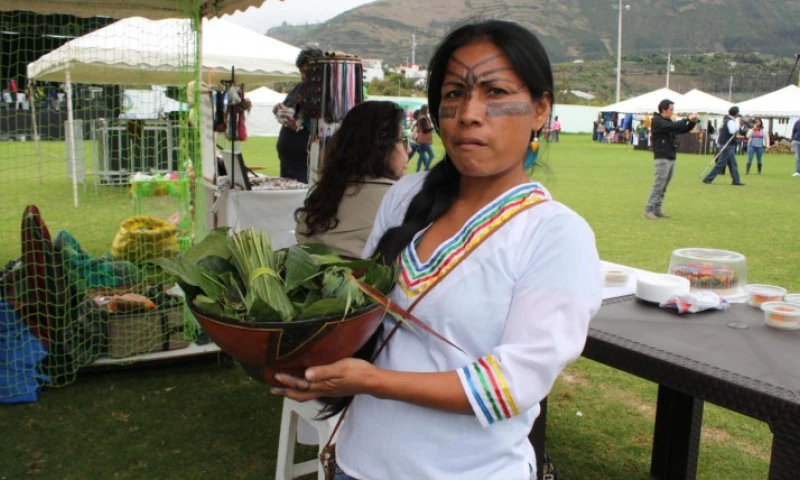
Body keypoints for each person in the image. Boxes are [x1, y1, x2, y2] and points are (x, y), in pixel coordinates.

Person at [272, 20, 603, 480]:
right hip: (356, 463)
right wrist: (310, 362)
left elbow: (511, 385)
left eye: (495, 92)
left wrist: (374, 383)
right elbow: (360, 316)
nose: (469, 113)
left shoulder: (554, 234)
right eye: (453, 94)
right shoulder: (405, 196)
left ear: (541, 108)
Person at [294, 101, 410, 258]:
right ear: (381, 146)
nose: (408, 149)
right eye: (402, 140)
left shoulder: (324, 193)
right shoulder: (399, 200)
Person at [274, 47, 322, 183]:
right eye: (301, 72)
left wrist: (299, 125)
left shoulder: (325, 92)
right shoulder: (299, 87)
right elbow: (289, 109)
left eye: (306, 72)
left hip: (306, 167)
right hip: (287, 163)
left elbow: (323, 125)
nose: (302, 76)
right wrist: (279, 110)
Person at [644, 99, 697, 220]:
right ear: (664, 109)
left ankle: (657, 209)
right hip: (662, 157)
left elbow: (681, 129)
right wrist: (688, 119)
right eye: (671, 109)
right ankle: (649, 210)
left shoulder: (668, 122)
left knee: (664, 185)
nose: (672, 112)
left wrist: (692, 122)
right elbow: (674, 126)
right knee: (658, 185)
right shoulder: (657, 121)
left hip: (671, 155)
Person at [703, 106, 745, 186]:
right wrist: (738, 125)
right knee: (721, 163)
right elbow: (732, 131)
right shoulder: (730, 121)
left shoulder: (725, 120)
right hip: (728, 144)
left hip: (726, 144)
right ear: (736, 113)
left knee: (732, 163)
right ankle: (708, 178)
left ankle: (736, 180)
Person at [414, 104, 435, 172]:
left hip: (422, 140)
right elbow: (424, 129)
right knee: (432, 155)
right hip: (424, 140)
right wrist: (431, 128)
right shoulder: (423, 118)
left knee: (421, 157)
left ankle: (417, 170)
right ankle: (426, 168)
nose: (428, 110)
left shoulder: (423, 117)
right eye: (427, 109)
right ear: (425, 109)